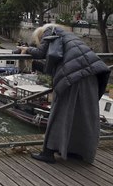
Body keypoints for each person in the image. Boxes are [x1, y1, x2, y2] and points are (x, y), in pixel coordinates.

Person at [18, 23, 111, 163]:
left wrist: (26, 49)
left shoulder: (50, 31)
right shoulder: (69, 37)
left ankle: (48, 153)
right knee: (83, 115)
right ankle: (77, 151)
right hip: (91, 74)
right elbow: (58, 64)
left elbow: (41, 53)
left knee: (59, 112)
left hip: (75, 77)